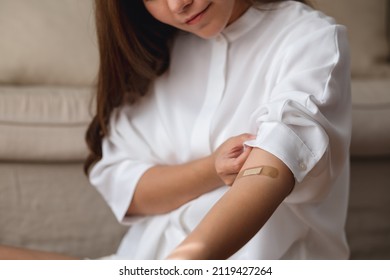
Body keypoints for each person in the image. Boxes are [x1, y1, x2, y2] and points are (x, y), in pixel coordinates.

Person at [0, 0, 351, 260]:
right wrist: (211, 169)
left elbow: (275, 166)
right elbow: (131, 190)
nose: (178, 4)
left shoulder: (311, 42)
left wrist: (184, 263)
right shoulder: (152, 55)